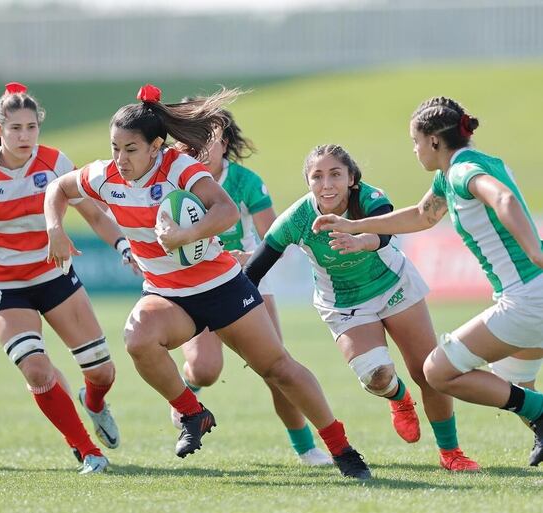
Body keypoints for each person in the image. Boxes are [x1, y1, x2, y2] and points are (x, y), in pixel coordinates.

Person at [45, 83, 372, 479]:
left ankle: (341, 448)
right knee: (138, 340)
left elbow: (227, 211)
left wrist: (183, 236)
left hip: (221, 286)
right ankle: (192, 413)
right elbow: (57, 189)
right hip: (167, 294)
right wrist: (55, 229)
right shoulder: (103, 175)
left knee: (279, 369)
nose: (120, 158)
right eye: (115, 147)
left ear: (156, 146)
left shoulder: (180, 169)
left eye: (130, 149)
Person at [311, 97, 543, 466]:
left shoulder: (461, 171)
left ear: (434, 141)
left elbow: (503, 199)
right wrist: (355, 225)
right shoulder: (462, 170)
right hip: (531, 298)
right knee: (516, 381)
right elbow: (421, 216)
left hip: (528, 299)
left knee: (437, 373)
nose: (414, 150)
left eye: (415, 141)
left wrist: (535, 252)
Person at [0, 83, 134, 474]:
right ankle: (88, 451)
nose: (24, 136)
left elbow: (96, 215)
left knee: (102, 371)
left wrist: (123, 247)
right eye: (15, 128)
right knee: (36, 369)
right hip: (2, 285)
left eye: (31, 127)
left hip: (53, 276)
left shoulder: (55, 163)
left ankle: (95, 402)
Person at [244, 143, 480, 471]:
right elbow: (256, 268)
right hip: (343, 303)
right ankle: (399, 398)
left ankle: (451, 453)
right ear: (308, 182)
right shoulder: (298, 218)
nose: (326, 184)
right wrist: (228, 305)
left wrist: (360, 239)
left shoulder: (369, 198)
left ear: (351, 178)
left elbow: (384, 233)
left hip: (394, 287)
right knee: (376, 377)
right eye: (317, 176)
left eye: (335, 174)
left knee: (427, 372)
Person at [171, 106, 332, 466]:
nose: (196, 146)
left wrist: (246, 257)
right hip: (197, 284)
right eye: (189, 138)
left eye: (206, 139)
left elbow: (271, 235)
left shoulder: (245, 181)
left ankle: (306, 447)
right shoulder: (173, 181)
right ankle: (187, 394)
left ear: (223, 143)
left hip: (247, 280)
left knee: (276, 369)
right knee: (205, 371)